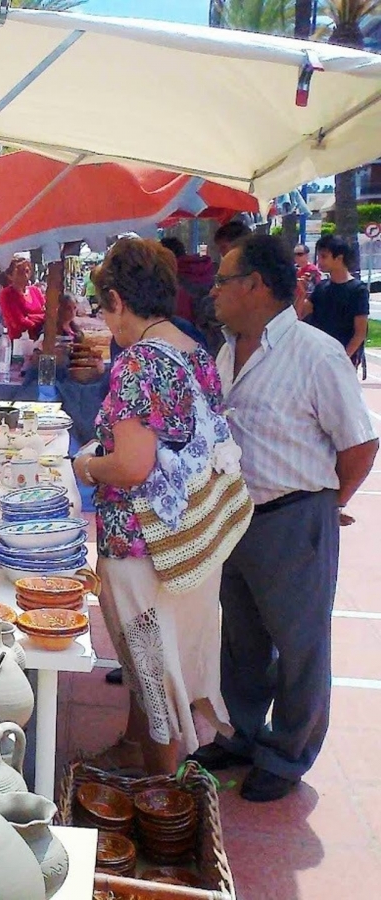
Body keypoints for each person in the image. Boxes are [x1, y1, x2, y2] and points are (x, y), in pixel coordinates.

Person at [188, 234, 378, 802]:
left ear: (256, 286)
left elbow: (361, 445)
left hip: (295, 516)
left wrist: (326, 505)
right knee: (242, 640)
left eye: (224, 280)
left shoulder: (315, 354)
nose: (214, 290)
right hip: (237, 515)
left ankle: (288, 753)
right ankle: (242, 735)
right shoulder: (228, 348)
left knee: (300, 646)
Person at [73, 238, 233, 776]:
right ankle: (137, 751)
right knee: (163, 669)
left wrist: (87, 466)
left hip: (142, 548)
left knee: (152, 674)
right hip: (190, 542)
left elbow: (133, 466)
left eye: (103, 306)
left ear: (118, 299)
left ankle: (166, 801)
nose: (104, 320)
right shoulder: (196, 353)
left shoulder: (137, 363)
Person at [298, 233, 369, 364]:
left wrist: (343, 359)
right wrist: (301, 294)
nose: (319, 261)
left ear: (339, 258)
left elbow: (360, 332)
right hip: (317, 357)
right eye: (318, 256)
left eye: (324, 256)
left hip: (342, 359)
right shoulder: (321, 288)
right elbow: (299, 316)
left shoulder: (358, 290)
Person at [0, 257, 46, 339]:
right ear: (10, 276)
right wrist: (41, 320)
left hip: (41, 340)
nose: (25, 275)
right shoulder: (7, 294)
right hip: (21, 343)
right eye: (20, 272)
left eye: (27, 271)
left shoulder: (35, 291)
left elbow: (48, 314)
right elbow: (19, 323)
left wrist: (30, 317)